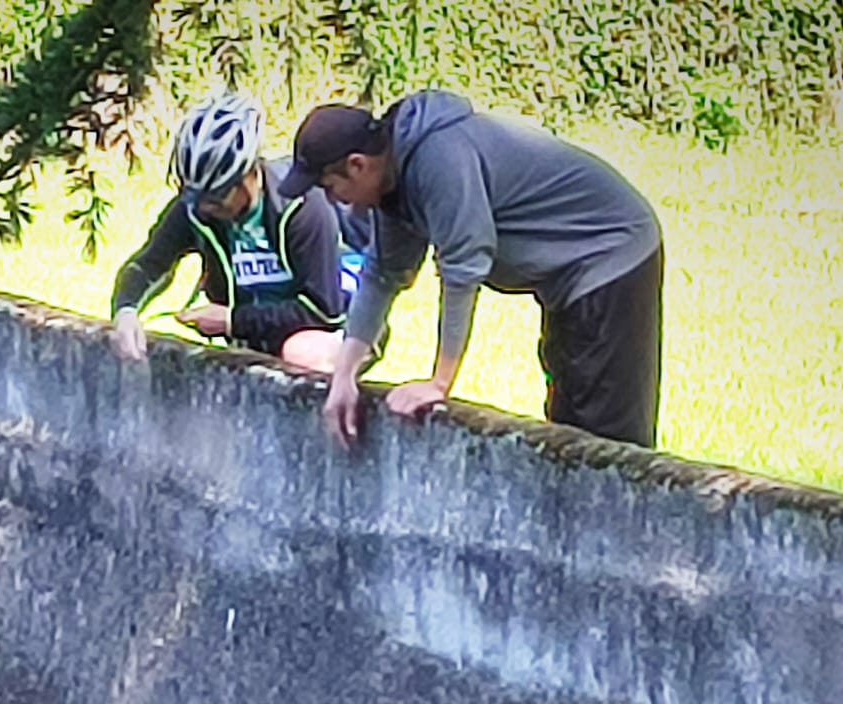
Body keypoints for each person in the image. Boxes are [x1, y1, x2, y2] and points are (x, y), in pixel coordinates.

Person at [280, 91, 664, 448]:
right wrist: (344, 376)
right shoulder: (392, 180)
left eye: (331, 188)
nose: (335, 202)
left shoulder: (438, 160)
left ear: (357, 165)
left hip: (611, 255)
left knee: (605, 435)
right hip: (568, 279)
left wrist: (439, 382)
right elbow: (382, 273)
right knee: (568, 426)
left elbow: (463, 269)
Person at [109, 91, 367, 375]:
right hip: (266, 329)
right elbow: (147, 264)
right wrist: (126, 310)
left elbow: (324, 311)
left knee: (299, 354)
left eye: (216, 195)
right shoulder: (196, 208)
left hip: (346, 322)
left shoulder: (302, 208)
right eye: (195, 195)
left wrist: (232, 320)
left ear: (248, 175)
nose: (204, 207)